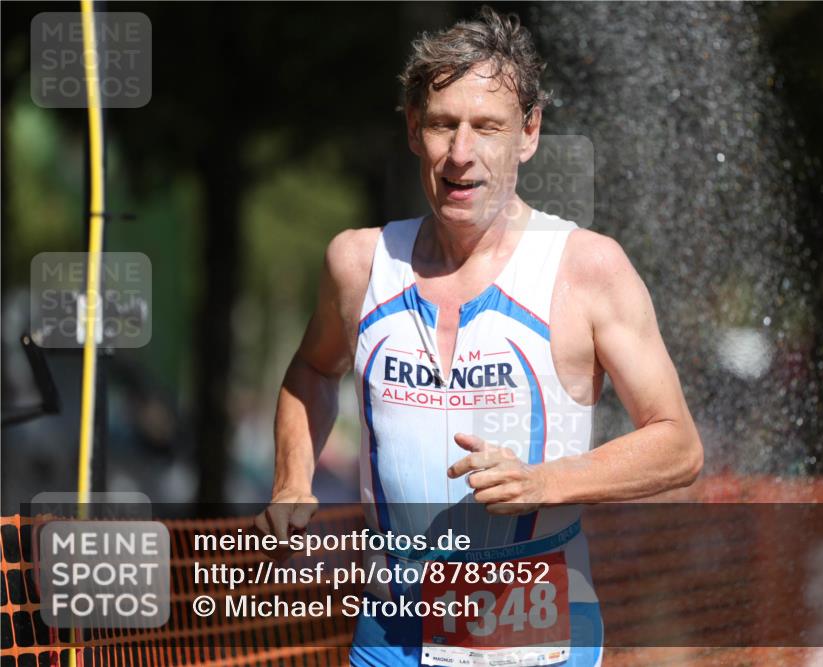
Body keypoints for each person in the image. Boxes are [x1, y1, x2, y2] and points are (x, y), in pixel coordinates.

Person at [256, 6, 703, 666]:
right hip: (392, 624)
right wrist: (293, 482)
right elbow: (312, 372)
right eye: (443, 125)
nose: (461, 154)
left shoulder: (587, 268)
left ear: (529, 133)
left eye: (486, 127)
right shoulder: (357, 263)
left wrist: (548, 481)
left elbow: (679, 444)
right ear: (414, 129)